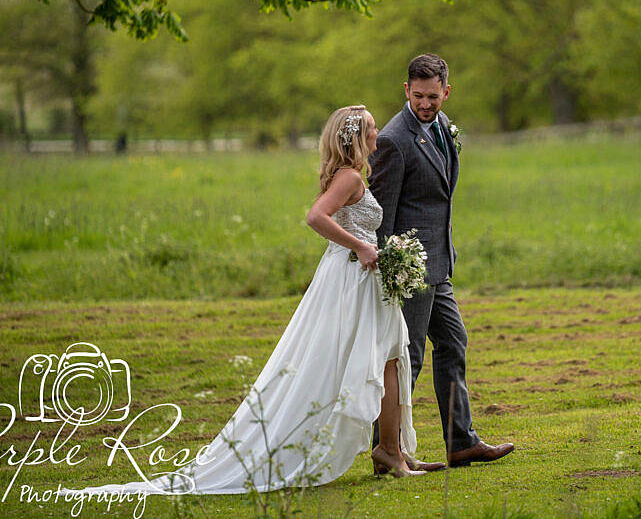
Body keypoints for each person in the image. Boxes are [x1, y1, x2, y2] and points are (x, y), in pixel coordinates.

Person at [66, 105, 427, 499]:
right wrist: (360, 246)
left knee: (391, 357)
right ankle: (385, 450)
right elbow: (315, 217)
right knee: (368, 358)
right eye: (372, 129)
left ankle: (392, 451)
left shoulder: (352, 175)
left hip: (360, 278)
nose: (378, 136)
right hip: (351, 279)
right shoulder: (350, 177)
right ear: (356, 137)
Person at [369, 54, 515, 467]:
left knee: (452, 343)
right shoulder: (394, 140)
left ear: (446, 91)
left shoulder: (444, 128)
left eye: (433, 97)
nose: (425, 104)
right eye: (418, 96)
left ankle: (461, 440)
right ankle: (386, 447)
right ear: (406, 90)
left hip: (439, 262)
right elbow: (381, 212)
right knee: (408, 356)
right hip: (410, 268)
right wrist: (389, 270)